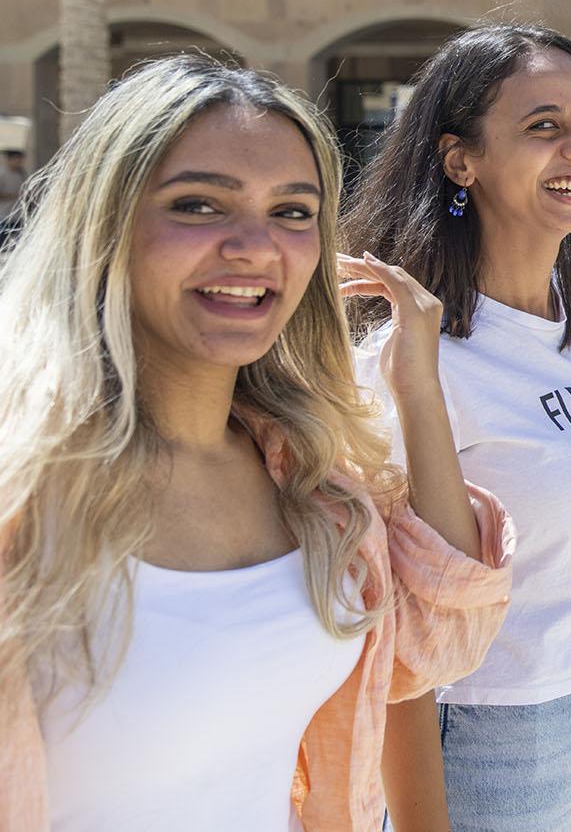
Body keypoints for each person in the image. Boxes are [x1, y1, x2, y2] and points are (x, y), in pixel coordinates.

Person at [0, 56, 512, 829]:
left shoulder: (306, 478)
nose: (255, 244)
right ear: (104, 224)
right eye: (200, 204)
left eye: (294, 211)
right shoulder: (23, 491)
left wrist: (418, 390)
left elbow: (439, 637)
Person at [343, 24, 571, 831]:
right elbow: (393, 624)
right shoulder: (409, 366)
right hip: (494, 730)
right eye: (543, 126)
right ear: (460, 160)